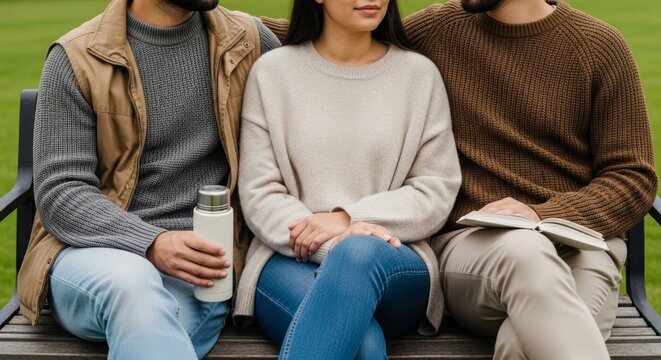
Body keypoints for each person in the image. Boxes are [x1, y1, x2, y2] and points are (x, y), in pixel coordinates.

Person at [17, 0, 279, 358]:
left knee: (156, 333)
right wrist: (152, 242)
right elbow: (61, 193)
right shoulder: (77, 57)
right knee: (134, 284)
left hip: (198, 270)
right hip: (92, 255)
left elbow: (327, 40)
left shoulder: (246, 39)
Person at [399, 0, 656, 359]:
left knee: (522, 342)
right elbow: (342, 29)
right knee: (526, 253)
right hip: (474, 248)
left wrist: (543, 214)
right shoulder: (437, 29)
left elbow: (634, 176)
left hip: (582, 247)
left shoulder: (599, 46)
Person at [233, 0, 461, 358]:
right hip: (289, 258)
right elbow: (260, 192)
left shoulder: (419, 75)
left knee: (358, 254)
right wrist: (331, 242)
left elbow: (434, 190)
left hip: (396, 258)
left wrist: (347, 219)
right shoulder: (273, 73)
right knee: (364, 345)